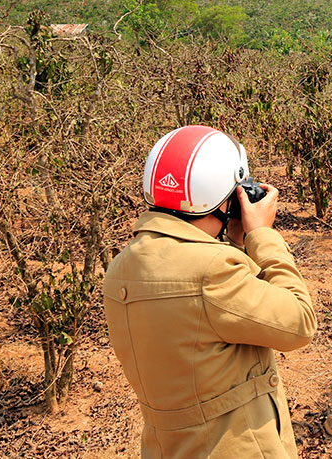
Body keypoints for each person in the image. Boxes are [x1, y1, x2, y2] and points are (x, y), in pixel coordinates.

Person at [103, 125, 317, 458]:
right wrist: (262, 236)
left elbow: (201, 334)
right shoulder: (212, 272)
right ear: (225, 196)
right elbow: (300, 322)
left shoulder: (121, 268)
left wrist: (233, 241)